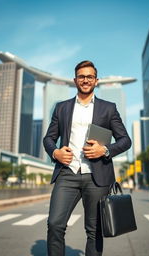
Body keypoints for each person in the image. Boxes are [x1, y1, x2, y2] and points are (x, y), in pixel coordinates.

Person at [43, 60, 132, 256]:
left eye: (89, 77)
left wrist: (105, 150)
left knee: (94, 231)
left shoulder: (108, 108)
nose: (85, 80)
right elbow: (49, 138)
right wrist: (55, 152)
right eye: (81, 76)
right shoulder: (62, 108)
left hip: (97, 176)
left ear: (96, 80)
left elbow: (125, 140)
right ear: (75, 80)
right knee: (55, 224)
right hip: (67, 173)